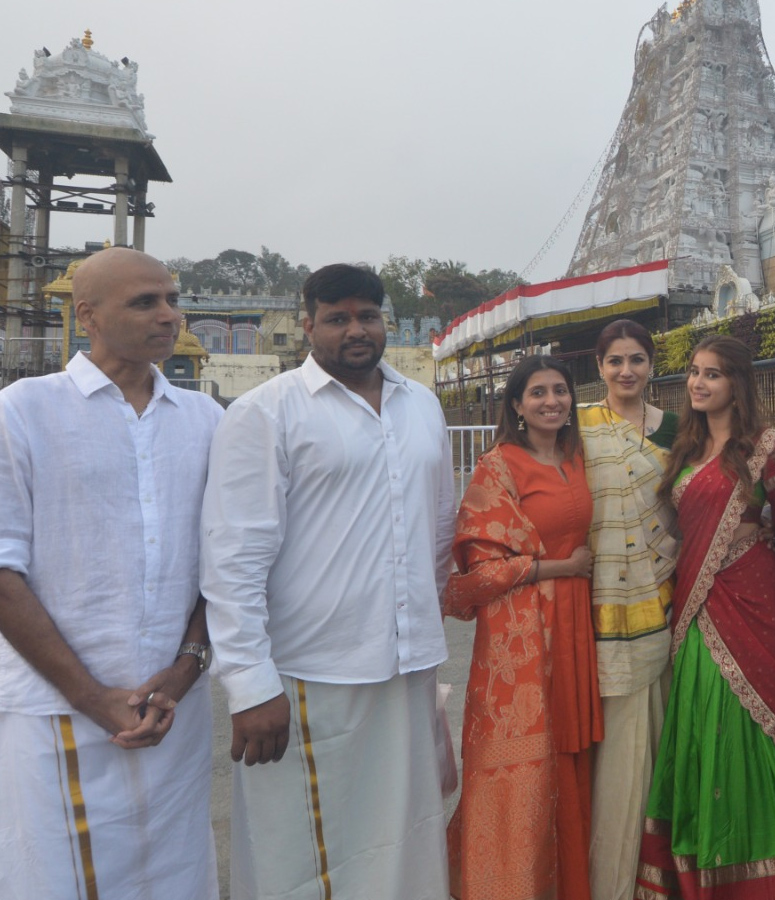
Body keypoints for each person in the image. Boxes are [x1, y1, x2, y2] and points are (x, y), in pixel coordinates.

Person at [201, 264, 454, 900]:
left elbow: (441, 529)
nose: (355, 330)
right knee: (311, 851)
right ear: (307, 324)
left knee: (409, 832)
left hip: (407, 663)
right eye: (337, 318)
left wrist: (419, 625)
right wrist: (250, 684)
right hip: (311, 671)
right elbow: (233, 558)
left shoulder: (420, 404)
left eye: (367, 315)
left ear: (384, 321)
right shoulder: (267, 412)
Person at [0, 247, 221, 898]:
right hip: (57, 710)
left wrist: (184, 670)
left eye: (173, 300)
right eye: (145, 301)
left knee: (173, 879)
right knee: (58, 880)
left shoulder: (206, 420)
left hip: (169, 712)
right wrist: (92, 697)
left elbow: (226, 562)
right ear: (87, 316)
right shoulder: (23, 410)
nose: (169, 315)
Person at [637, 335, 775, 899]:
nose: (698, 383)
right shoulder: (684, 451)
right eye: (694, 372)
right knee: (702, 725)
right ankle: (705, 873)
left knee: (761, 729)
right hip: (696, 608)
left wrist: (753, 536)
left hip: (755, 605)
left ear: (736, 384)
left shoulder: (769, 445)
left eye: (712, 374)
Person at [445, 354, 601, 900]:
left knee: (573, 758)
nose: (552, 401)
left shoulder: (577, 456)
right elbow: (478, 574)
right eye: (538, 393)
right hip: (526, 638)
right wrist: (560, 567)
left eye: (560, 390)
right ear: (516, 404)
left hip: (577, 625)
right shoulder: (498, 467)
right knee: (528, 767)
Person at [578, 319, 679, 900]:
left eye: (636, 359)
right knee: (609, 738)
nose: (626, 371)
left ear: (650, 364)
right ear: (600, 367)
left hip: (662, 596)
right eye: (615, 361)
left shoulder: (676, 430)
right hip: (598, 604)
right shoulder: (581, 425)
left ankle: (651, 875)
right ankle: (604, 878)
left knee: (656, 733)